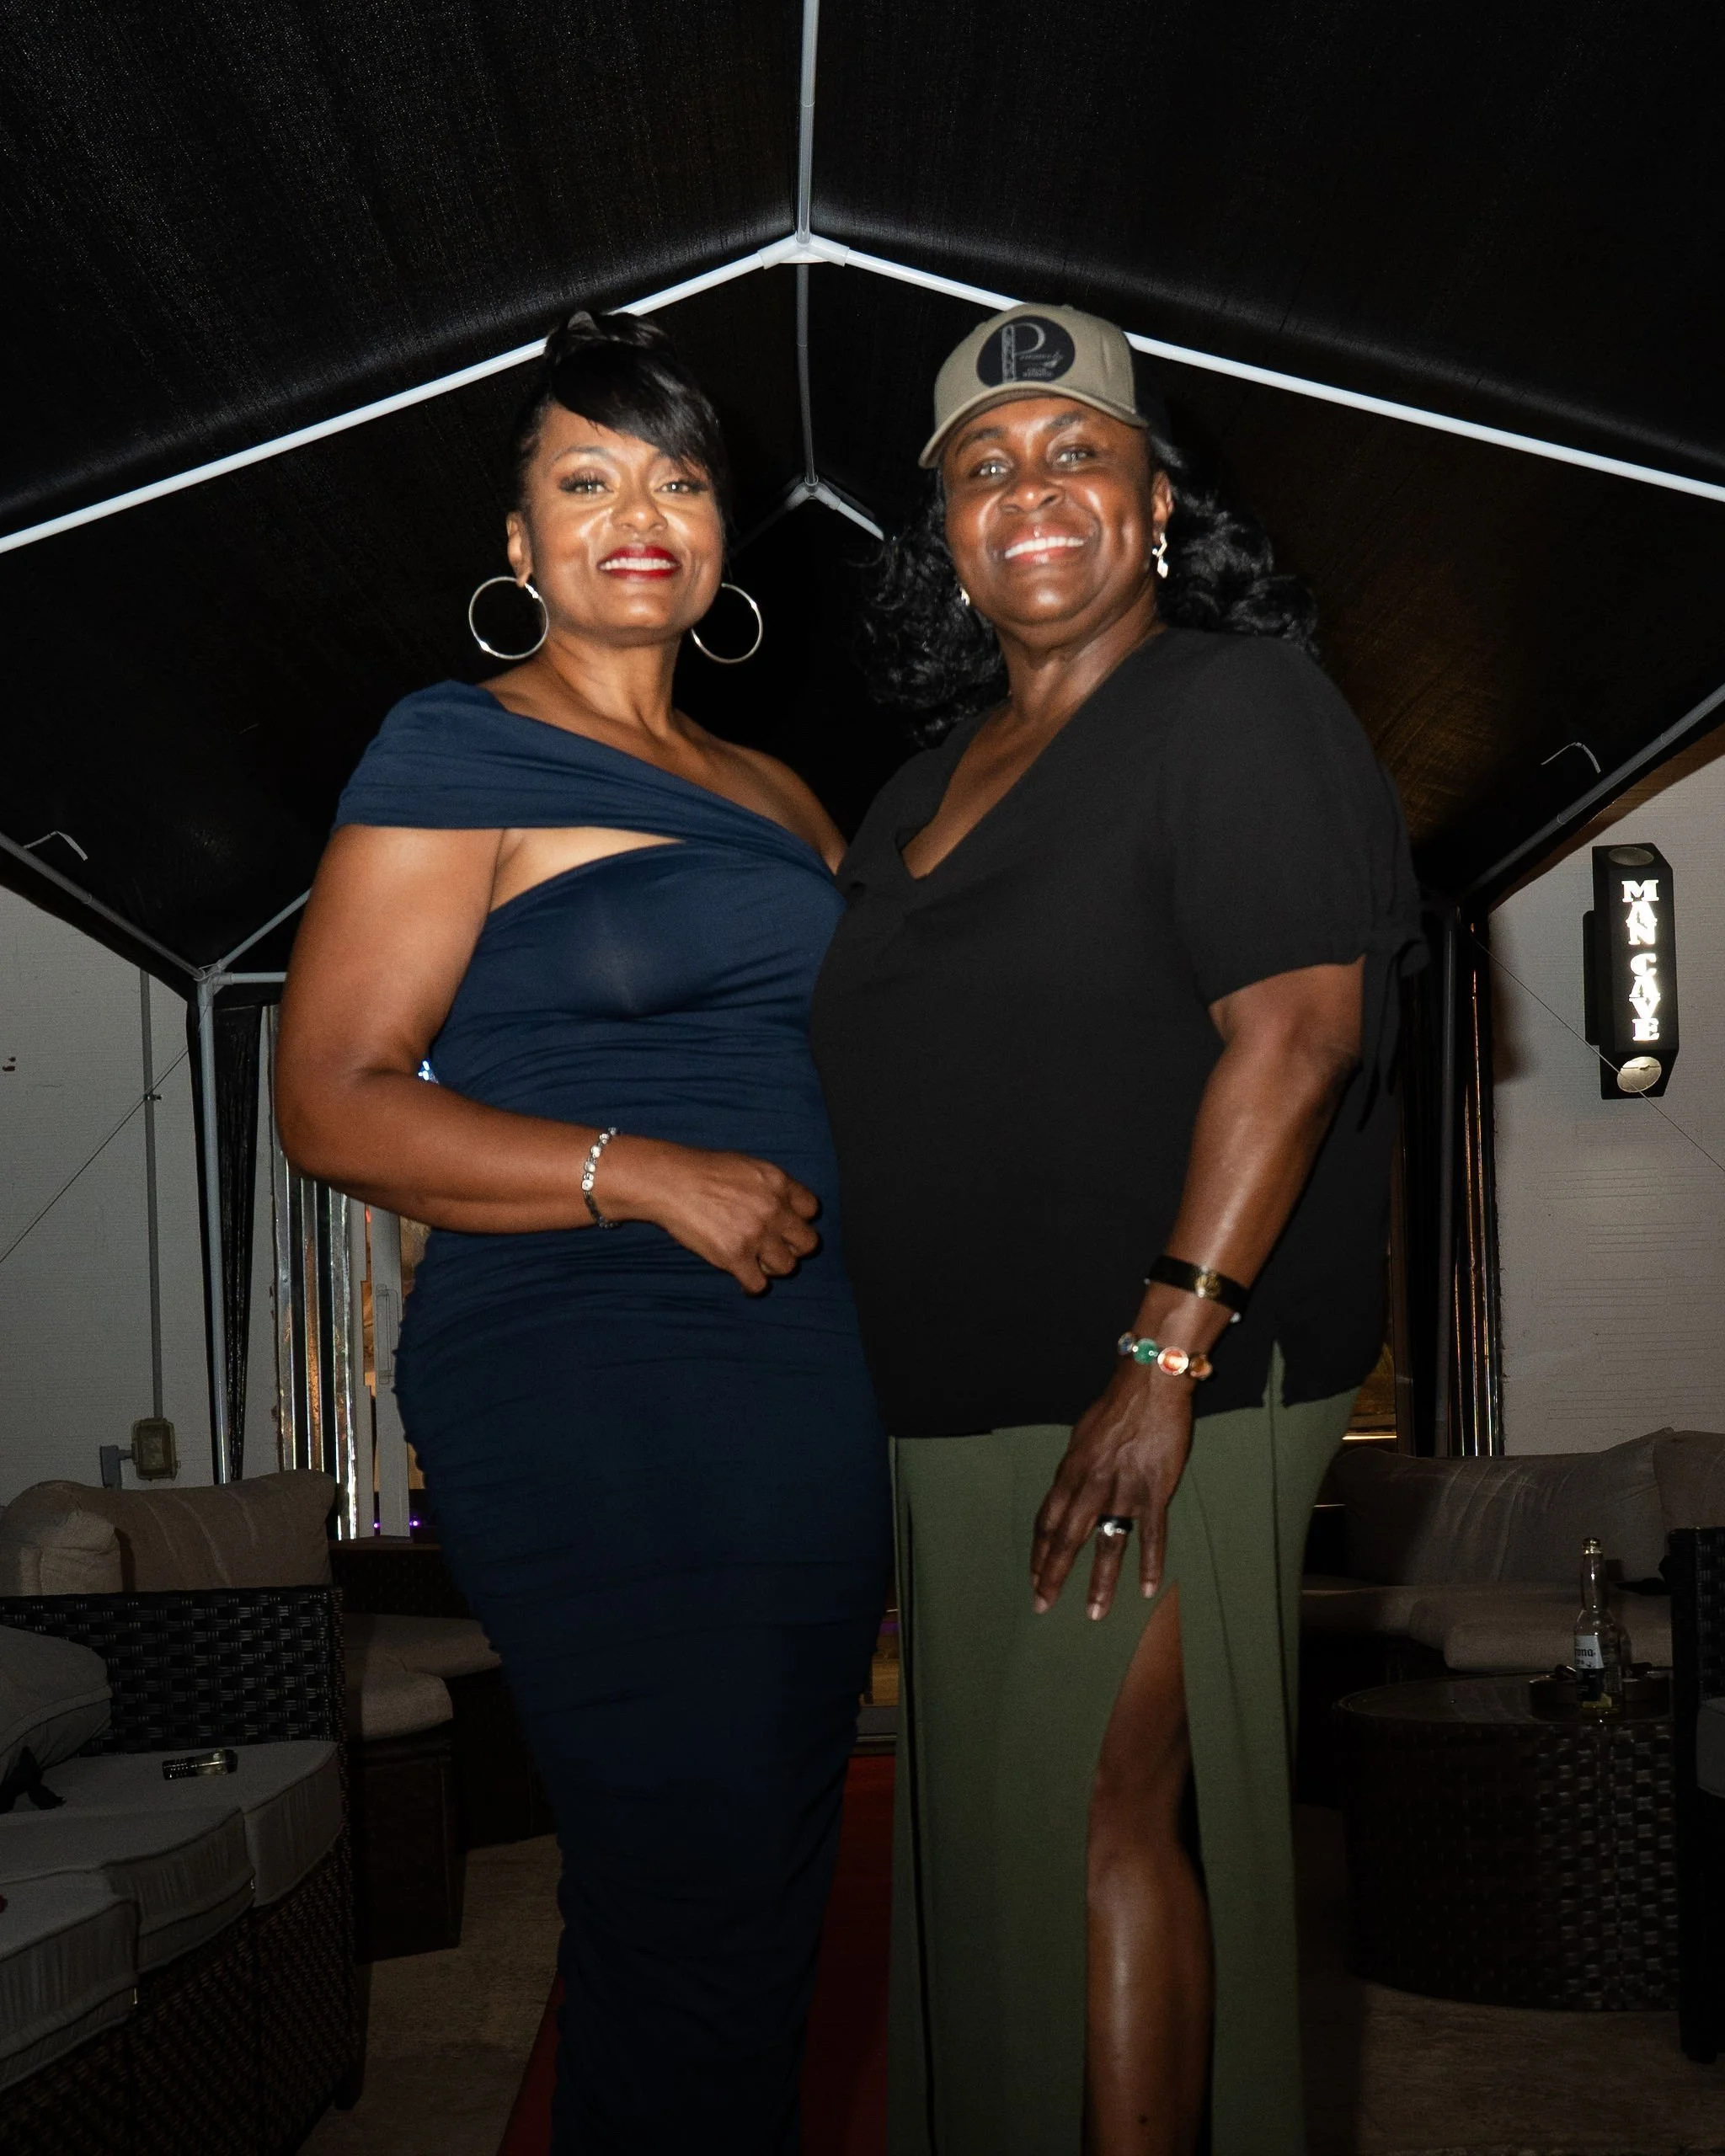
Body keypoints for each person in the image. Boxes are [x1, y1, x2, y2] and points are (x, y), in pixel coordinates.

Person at [275, 310, 892, 2155]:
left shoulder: (788, 798)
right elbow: (332, 1099)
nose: (644, 511)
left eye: (681, 477)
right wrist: (642, 1167)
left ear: (722, 540)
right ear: (524, 543)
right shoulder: (453, 745)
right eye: (588, 476)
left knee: (760, 1881)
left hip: (805, 1366)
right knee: (687, 1878)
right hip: (583, 1351)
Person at [810, 303, 1422, 2156]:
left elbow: (1297, 1031)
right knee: (990, 1835)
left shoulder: (1236, 705)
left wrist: (1157, 1358)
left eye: (1079, 451)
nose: (1034, 491)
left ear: (1158, 501)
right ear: (946, 538)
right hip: (955, 1398)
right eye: (983, 471)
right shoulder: (913, 788)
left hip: (1168, 1388)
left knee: (1090, 1809)